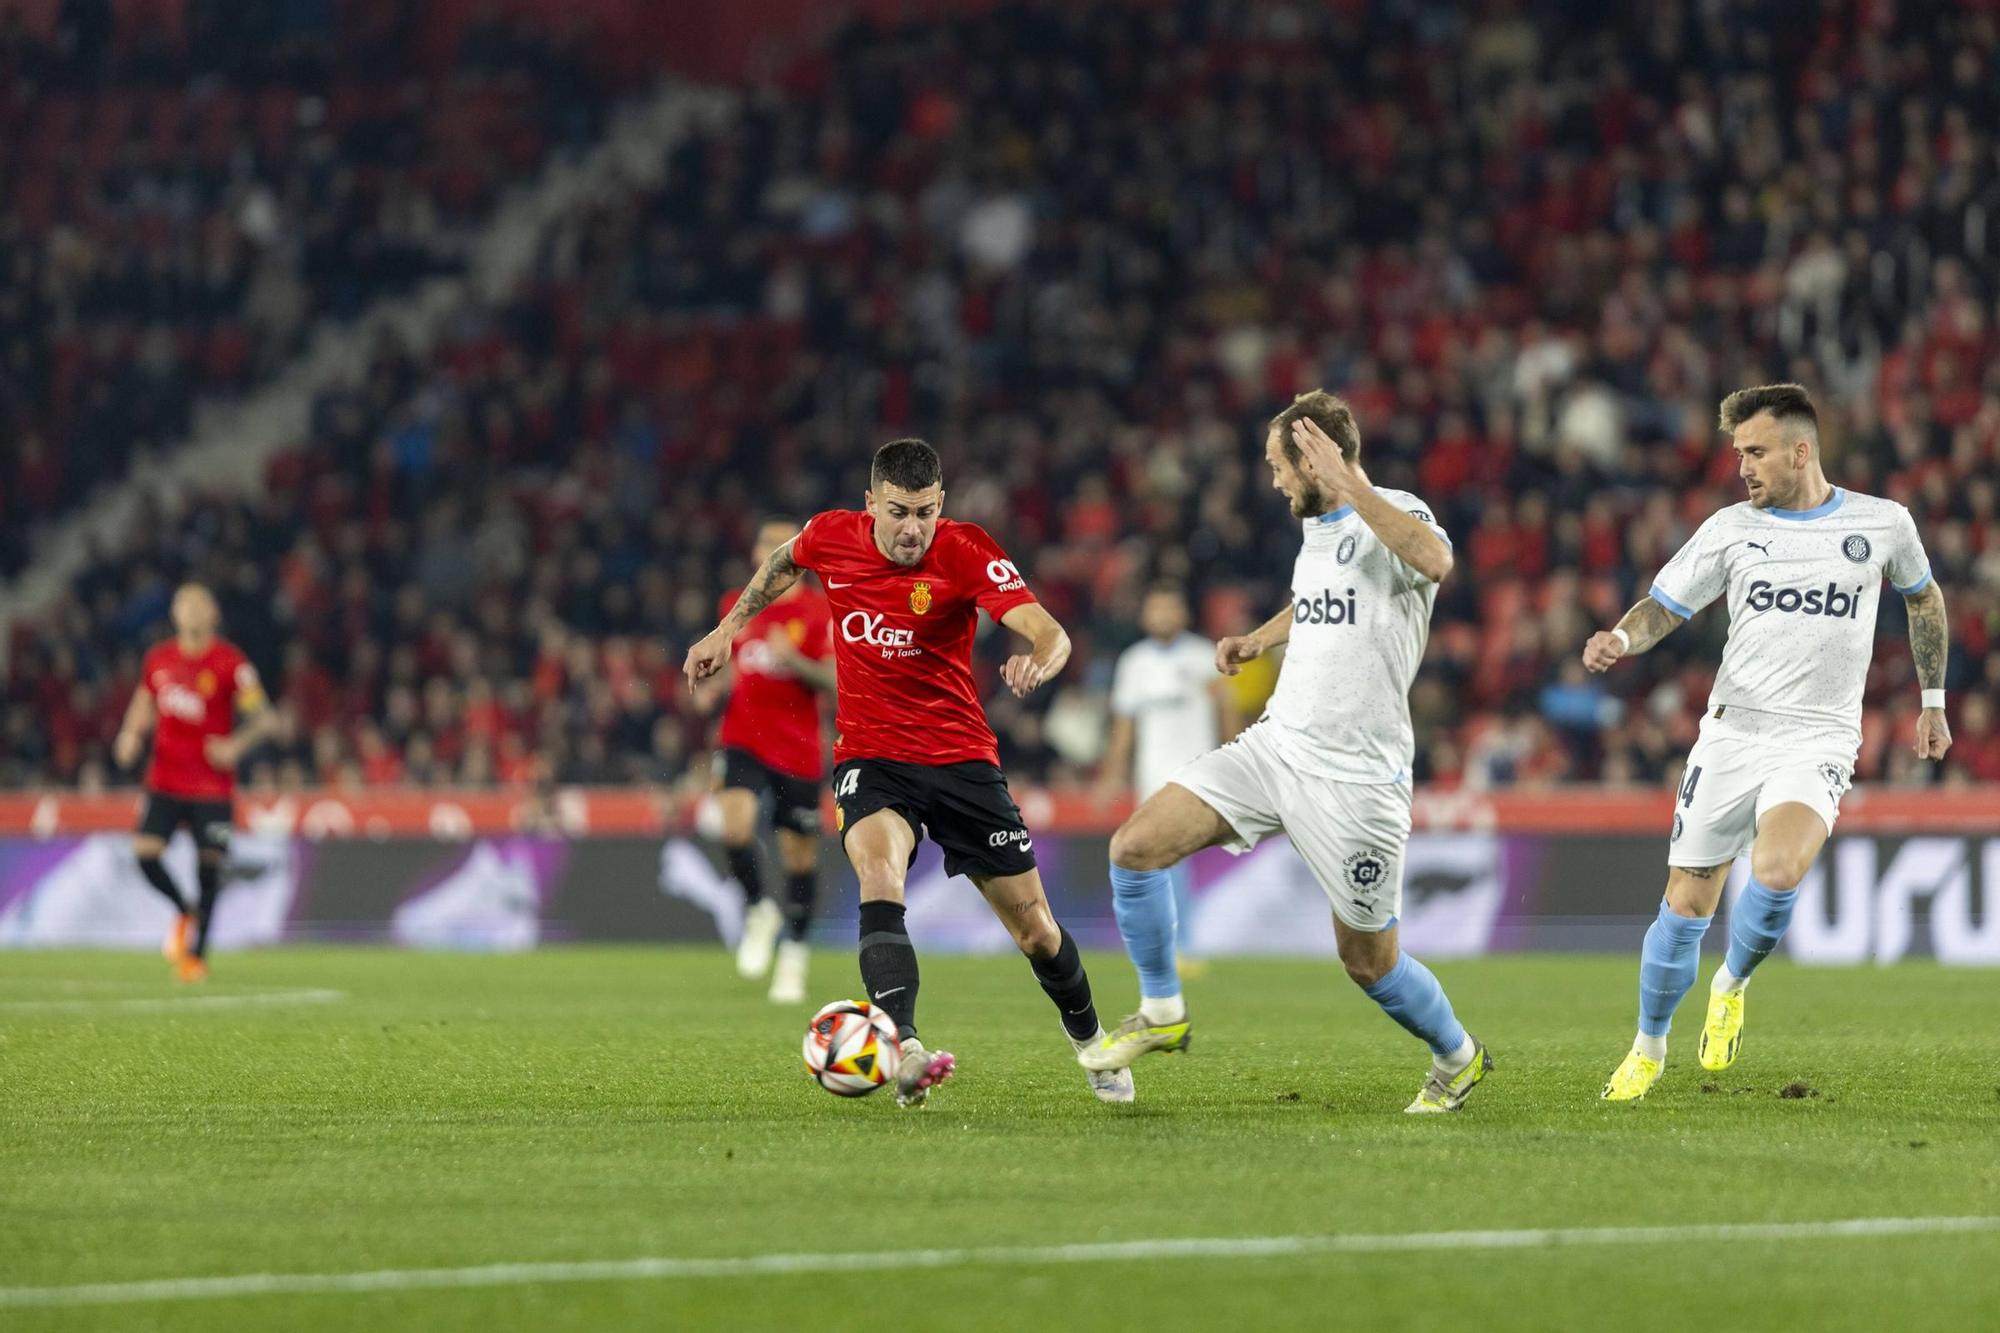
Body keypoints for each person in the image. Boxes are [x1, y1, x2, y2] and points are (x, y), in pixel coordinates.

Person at [1078, 391, 1494, 1115]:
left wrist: (1353, 484)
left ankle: (1458, 1055)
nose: (1273, 481)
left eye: (1279, 465)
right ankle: (1162, 1008)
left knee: (1369, 963)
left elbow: (1435, 561)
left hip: (1359, 778)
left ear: (1316, 458)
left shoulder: (1396, 511)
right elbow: (1318, 603)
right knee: (1134, 847)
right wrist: (1260, 638)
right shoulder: (1318, 530)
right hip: (1276, 747)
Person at [685, 438, 1128, 1107]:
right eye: (897, 511)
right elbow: (783, 561)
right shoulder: (833, 535)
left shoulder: (965, 548)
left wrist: (1041, 657)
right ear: (871, 504)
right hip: (872, 757)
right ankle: (906, 1047)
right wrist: (728, 628)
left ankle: (1094, 1043)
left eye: (924, 511)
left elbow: (1050, 631)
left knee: (1035, 927)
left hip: (961, 759)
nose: (911, 528)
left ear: (940, 504)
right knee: (878, 871)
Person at [1593, 384, 1950, 1101]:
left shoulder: (1882, 524)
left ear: (1800, 450)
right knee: (1688, 903)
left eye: (1755, 452)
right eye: (1737, 454)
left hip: (1817, 736)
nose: (1743, 467)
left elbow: (1924, 597)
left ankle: (1732, 984)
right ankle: (1649, 1046)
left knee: (1780, 869)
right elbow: (1665, 605)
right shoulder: (1730, 528)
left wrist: (1932, 701)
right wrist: (1621, 637)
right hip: (1731, 733)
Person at [692, 518, 835, 1004]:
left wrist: (792, 659)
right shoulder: (736, 606)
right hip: (742, 738)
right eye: (763, 544)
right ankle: (757, 908)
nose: (767, 552)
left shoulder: (819, 612)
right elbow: (735, 667)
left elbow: (836, 684)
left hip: (797, 748)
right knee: (733, 826)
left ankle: (794, 955)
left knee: (799, 859)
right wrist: (713, 688)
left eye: (778, 545)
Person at [111, 583, 277, 982]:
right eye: (185, 604)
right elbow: (144, 702)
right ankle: (185, 911)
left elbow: (266, 719)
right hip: (165, 779)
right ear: (175, 614)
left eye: (200, 604)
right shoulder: (159, 660)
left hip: (211, 787)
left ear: (214, 614)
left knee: (211, 866)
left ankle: (196, 957)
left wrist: (236, 745)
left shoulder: (231, 664)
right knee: (145, 853)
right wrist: (130, 734)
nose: (192, 611)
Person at [1097, 582, 1239, 966]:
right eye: (1156, 609)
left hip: (1197, 774)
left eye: (1169, 609)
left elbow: (1226, 711)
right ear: (1146, 615)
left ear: (1183, 614)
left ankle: (1182, 944)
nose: (1163, 616)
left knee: (1173, 859)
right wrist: (1113, 774)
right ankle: (1173, 945)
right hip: (1152, 776)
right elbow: (1124, 725)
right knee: (1159, 859)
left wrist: (1234, 759)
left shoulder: (1202, 656)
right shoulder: (1134, 662)